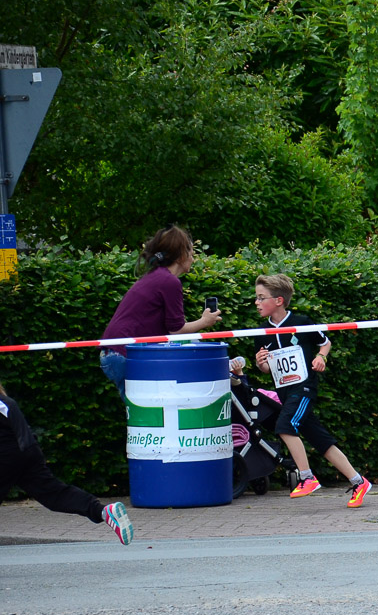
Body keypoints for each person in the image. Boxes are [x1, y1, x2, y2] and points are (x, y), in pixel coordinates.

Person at [250, 274, 373, 506]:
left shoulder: (302, 322)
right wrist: (260, 363)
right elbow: (266, 369)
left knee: (285, 426)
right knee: (320, 440)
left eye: (261, 298)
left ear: (278, 300)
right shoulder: (261, 332)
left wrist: (320, 357)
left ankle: (306, 477)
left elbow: (325, 343)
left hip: (304, 387)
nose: (256, 302)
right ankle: (359, 481)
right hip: (285, 392)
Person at [1, 382, 134, 544]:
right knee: (54, 494)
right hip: (27, 450)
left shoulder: (4, 402)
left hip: (11, 453)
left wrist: (24, 445)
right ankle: (104, 512)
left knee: (53, 494)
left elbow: (10, 408)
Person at [100, 225, 221, 397]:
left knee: (142, 407)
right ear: (181, 255)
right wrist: (204, 322)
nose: (193, 260)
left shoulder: (156, 276)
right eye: (192, 254)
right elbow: (176, 330)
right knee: (147, 407)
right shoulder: (169, 282)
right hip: (125, 353)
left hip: (115, 351)